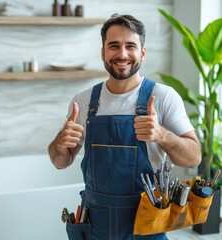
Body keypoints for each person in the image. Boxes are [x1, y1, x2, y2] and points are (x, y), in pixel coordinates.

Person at [48, 14, 201, 240]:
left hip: (147, 222)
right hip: (95, 224)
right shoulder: (84, 101)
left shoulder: (163, 96)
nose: (122, 54)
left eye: (130, 46)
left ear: (142, 53)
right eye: (114, 46)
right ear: (103, 52)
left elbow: (194, 157)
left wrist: (162, 135)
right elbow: (60, 162)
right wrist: (60, 142)